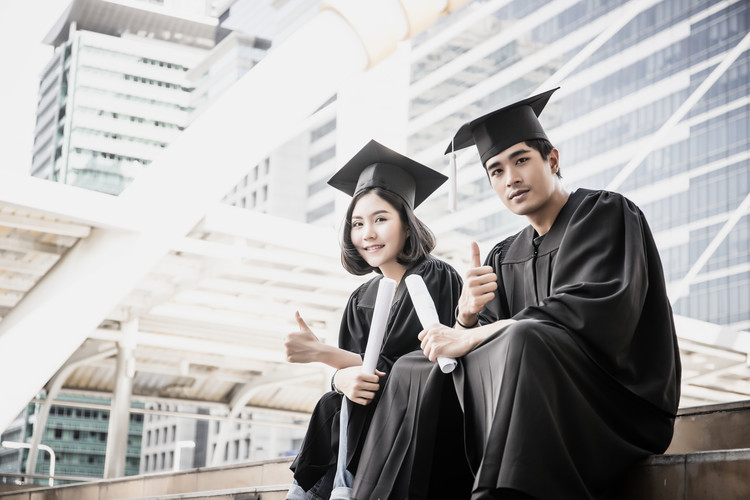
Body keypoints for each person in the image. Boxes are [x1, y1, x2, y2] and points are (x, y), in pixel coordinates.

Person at [352, 88, 682, 499]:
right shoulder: (504, 254)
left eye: (521, 160)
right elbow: (478, 347)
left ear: (553, 160)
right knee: (414, 366)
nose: (511, 179)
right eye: (496, 170)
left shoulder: (606, 213)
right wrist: (467, 317)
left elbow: (598, 310)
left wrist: (476, 333)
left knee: (525, 336)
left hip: (615, 405)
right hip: (530, 405)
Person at [284, 139, 463, 499]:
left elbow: (400, 372)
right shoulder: (361, 297)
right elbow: (360, 377)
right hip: (364, 425)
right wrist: (341, 379)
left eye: (381, 219)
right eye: (358, 223)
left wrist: (322, 354)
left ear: (408, 225)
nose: (367, 233)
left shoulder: (433, 277)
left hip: (418, 430)